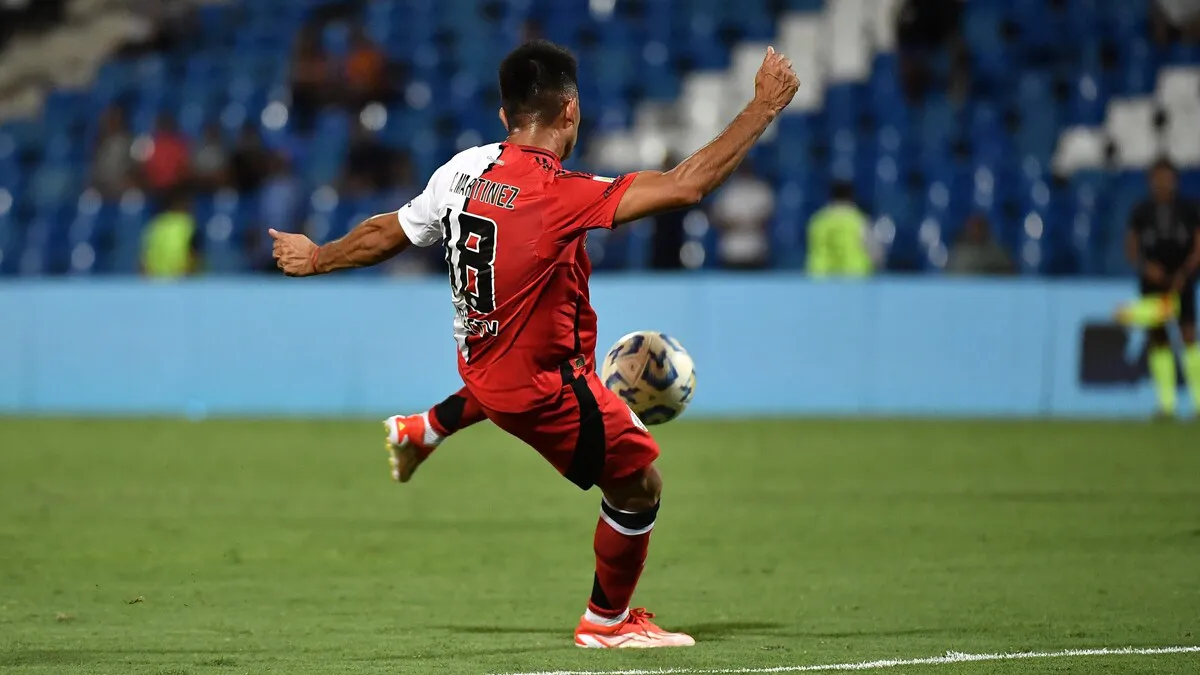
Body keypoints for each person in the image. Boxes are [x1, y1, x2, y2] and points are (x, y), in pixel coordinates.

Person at [269, 40, 798, 648]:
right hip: (544, 388)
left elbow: (388, 230)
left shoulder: (462, 170)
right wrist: (762, 106)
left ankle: (424, 429)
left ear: (504, 117)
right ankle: (608, 623)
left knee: (533, 333)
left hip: (483, 359)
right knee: (639, 483)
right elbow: (686, 186)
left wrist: (317, 257)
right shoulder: (559, 193)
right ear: (570, 111)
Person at [1125, 158, 1200, 417]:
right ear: (1149, 181)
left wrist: (1185, 273)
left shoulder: (1189, 209)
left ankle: (1198, 402)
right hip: (1152, 283)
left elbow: (1198, 246)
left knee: (1189, 336)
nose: (1162, 183)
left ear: (1175, 180)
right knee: (1158, 339)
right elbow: (1131, 247)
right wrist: (1147, 269)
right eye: (1157, 178)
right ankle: (1166, 404)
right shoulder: (1141, 211)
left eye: (1166, 177)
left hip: (1183, 281)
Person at [708, 163, 773, 269]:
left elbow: (767, 219)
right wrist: (740, 223)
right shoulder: (727, 192)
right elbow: (716, 218)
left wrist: (741, 223)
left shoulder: (762, 190)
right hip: (731, 251)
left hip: (756, 250)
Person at [806, 181, 876, 277]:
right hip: (854, 280)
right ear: (852, 198)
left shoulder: (817, 221)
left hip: (821, 280)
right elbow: (875, 256)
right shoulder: (859, 221)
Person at [946, 212, 1013, 276]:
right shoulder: (958, 254)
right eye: (974, 228)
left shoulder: (998, 253)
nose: (976, 231)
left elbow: (1010, 274)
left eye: (980, 227)